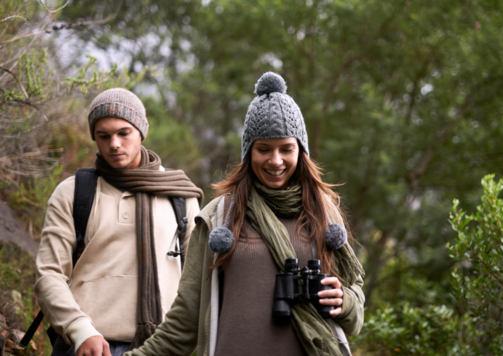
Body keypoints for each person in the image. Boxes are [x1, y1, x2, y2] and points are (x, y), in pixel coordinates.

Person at [123, 72, 365, 356]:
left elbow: (355, 305)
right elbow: (185, 319)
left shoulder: (324, 213)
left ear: (301, 151)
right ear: (248, 152)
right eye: (264, 149)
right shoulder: (219, 218)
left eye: (286, 149)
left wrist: (344, 301)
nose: (275, 161)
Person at [35, 88, 204, 356]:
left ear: (141, 132)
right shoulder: (73, 192)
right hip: (87, 346)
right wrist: (80, 331)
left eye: (123, 133)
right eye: (104, 136)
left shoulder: (179, 194)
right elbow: (49, 274)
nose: (114, 143)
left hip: (163, 347)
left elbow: (197, 279)